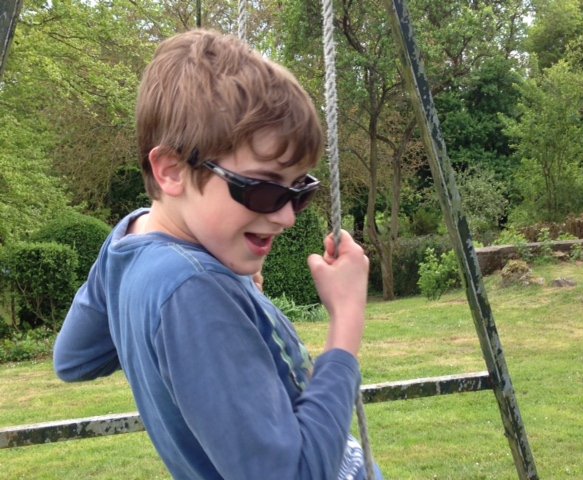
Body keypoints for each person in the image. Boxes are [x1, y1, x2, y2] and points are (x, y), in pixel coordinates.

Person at [54, 29, 381, 480]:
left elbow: (75, 357)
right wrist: (346, 322)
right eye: (263, 189)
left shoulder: (131, 244)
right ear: (172, 171)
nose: (287, 216)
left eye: (299, 190)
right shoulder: (192, 288)